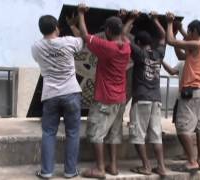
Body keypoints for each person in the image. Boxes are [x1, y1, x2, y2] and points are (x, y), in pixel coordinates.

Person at [76, 3, 131, 179]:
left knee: (96, 133)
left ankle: (100, 168)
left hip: (105, 98)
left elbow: (85, 36)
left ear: (107, 30)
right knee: (114, 133)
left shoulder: (108, 48)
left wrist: (80, 13)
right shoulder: (126, 46)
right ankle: (113, 166)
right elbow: (122, 34)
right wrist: (121, 20)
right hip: (120, 98)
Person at [31, 15, 83, 179]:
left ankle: (46, 171)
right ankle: (70, 171)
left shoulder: (36, 47)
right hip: (71, 92)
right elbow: (83, 39)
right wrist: (74, 25)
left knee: (48, 133)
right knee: (73, 133)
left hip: (50, 94)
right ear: (56, 27)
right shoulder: (68, 41)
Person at [121, 10, 167, 176]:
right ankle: (161, 167)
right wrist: (156, 20)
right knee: (156, 135)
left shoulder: (139, 53)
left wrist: (131, 18)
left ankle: (146, 166)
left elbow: (123, 34)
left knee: (137, 134)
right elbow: (163, 36)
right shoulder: (158, 54)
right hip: (156, 99)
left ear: (138, 42)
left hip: (141, 99)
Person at [165, 12, 200, 171]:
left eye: (190, 32)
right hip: (199, 92)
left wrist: (170, 23)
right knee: (199, 127)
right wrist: (181, 29)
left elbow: (171, 41)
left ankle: (192, 161)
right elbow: (180, 52)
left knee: (182, 127)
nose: (188, 35)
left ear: (195, 32)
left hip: (190, 92)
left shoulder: (196, 45)